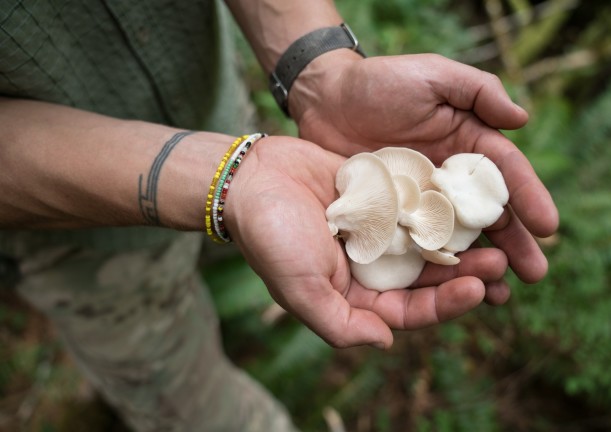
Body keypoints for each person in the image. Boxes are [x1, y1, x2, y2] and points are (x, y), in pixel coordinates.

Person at [0, 0, 558, 431]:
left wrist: (320, 73)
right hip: (78, 238)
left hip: (224, 124)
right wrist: (231, 181)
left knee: (234, 272)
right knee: (171, 380)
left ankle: (225, 315)